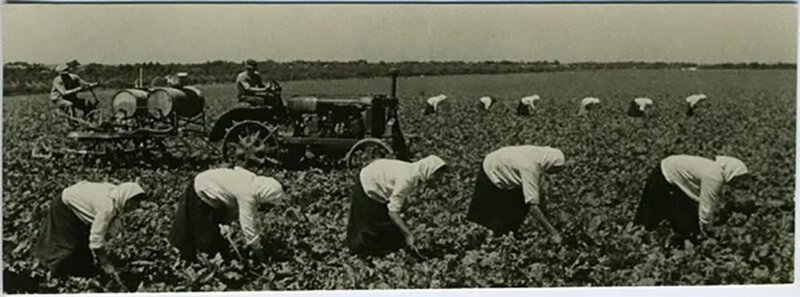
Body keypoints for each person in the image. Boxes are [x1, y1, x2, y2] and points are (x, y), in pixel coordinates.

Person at [169, 166, 288, 261]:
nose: (267, 207)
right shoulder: (248, 195)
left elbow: (231, 200)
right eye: (269, 203)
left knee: (214, 235)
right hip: (201, 191)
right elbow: (248, 227)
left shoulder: (252, 182)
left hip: (215, 193)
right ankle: (193, 259)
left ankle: (206, 256)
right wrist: (259, 253)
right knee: (205, 236)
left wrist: (226, 223)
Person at [33, 181, 146, 277]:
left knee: (83, 248)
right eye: (132, 205)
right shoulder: (106, 207)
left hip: (80, 208)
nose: (133, 209)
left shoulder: (116, 196)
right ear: (125, 198)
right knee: (66, 245)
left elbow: (112, 227)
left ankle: (81, 272)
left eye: (136, 206)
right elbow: (96, 240)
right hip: (65, 206)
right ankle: (48, 269)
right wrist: (106, 263)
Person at [633, 155, 749, 245]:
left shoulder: (715, 169)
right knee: (653, 216)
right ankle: (640, 242)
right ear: (731, 173)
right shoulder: (715, 177)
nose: (738, 183)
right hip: (664, 176)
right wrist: (708, 231)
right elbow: (706, 209)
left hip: (668, 171)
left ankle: (669, 238)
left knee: (682, 214)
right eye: (738, 179)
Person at [345, 156, 447, 255]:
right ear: (428, 170)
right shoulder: (408, 178)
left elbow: (400, 197)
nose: (438, 180)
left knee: (384, 223)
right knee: (369, 225)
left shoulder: (416, 172)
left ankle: (381, 250)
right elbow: (393, 213)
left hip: (378, 177)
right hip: (368, 182)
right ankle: (360, 252)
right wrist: (408, 234)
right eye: (436, 176)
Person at [467, 145, 566, 242]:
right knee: (486, 216)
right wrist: (553, 233)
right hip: (491, 169)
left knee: (517, 211)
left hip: (507, 169)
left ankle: (508, 236)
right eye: (556, 170)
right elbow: (533, 207)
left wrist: (547, 223)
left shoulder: (541, 159)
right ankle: (482, 241)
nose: (555, 174)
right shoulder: (530, 168)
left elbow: (540, 197)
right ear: (551, 165)